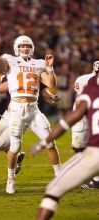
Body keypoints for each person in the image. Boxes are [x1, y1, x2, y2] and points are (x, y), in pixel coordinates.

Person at [0, 35, 61, 194]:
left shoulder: (39, 63)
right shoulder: (10, 60)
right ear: (17, 48)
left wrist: (50, 68)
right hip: (16, 107)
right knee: (15, 146)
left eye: (28, 46)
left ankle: (59, 176)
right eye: (22, 46)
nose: (25, 48)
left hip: (34, 109)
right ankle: (10, 180)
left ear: (32, 48)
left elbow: (52, 86)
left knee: (50, 142)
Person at [35, 68, 99, 220]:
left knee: (53, 190)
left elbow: (69, 121)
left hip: (95, 152)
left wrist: (45, 141)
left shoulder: (91, 91)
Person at [71, 60, 99, 189]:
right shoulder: (83, 79)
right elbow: (80, 100)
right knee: (78, 146)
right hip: (82, 115)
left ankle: (95, 178)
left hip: (95, 116)